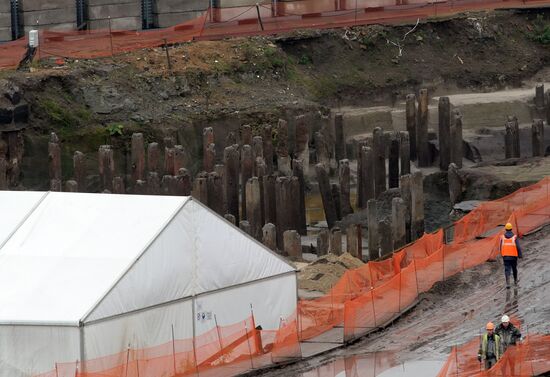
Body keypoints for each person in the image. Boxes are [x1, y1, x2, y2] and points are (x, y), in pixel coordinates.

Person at [499, 223, 522, 288]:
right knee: (514, 268)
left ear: (505, 229)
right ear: (511, 229)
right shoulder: (514, 237)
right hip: (513, 256)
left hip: (505, 256)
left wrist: (501, 254)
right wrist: (520, 255)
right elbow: (518, 247)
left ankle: (508, 283)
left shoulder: (502, 237)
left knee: (507, 269)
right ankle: (515, 281)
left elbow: (500, 247)